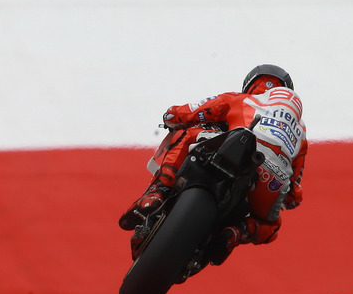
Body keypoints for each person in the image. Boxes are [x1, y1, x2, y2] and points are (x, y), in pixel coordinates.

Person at [119, 64, 308, 263]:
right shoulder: (301, 133)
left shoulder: (241, 99)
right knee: (271, 227)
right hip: (273, 178)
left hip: (235, 145)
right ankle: (237, 232)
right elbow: (294, 192)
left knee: (187, 134)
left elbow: (190, 112)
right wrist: (289, 198)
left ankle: (156, 192)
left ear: (250, 83)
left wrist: (170, 116)